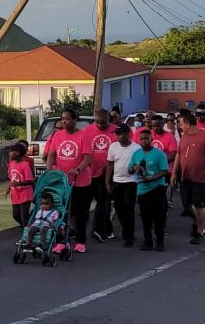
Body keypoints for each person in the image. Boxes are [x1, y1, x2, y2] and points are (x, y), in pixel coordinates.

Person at [43, 108, 92, 255]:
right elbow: (52, 154)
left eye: (68, 119)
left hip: (81, 181)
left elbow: (87, 157)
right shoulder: (58, 136)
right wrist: (49, 169)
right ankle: (61, 241)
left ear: (75, 120)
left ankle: (81, 242)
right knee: (62, 212)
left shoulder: (83, 136)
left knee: (80, 213)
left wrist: (78, 169)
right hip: (62, 181)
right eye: (63, 118)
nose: (65, 121)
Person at [173, 111, 205, 244]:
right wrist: (175, 172)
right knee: (187, 205)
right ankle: (199, 220)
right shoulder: (184, 137)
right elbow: (179, 155)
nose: (179, 126)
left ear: (187, 123)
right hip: (186, 176)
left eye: (180, 124)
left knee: (198, 204)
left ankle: (199, 230)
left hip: (201, 177)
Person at [131, 129, 170, 251]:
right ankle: (148, 241)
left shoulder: (159, 154)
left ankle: (159, 242)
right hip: (142, 189)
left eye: (146, 139)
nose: (144, 141)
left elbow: (165, 171)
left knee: (159, 217)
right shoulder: (136, 154)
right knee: (145, 218)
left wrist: (151, 178)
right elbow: (130, 169)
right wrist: (134, 169)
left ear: (151, 139)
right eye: (142, 139)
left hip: (157, 188)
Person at [82, 110, 116, 243]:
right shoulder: (87, 130)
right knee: (86, 203)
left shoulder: (115, 131)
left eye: (103, 123)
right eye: (98, 123)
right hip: (89, 172)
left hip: (107, 173)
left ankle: (98, 229)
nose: (100, 126)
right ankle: (105, 228)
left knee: (104, 203)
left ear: (109, 120)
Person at [104, 125, 139, 248]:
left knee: (128, 207)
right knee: (119, 209)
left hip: (131, 181)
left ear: (128, 134)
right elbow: (109, 165)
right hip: (117, 181)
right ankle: (126, 229)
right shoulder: (113, 147)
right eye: (116, 134)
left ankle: (129, 235)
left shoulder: (136, 148)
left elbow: (139, 167)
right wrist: (107, 181)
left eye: (120, 134)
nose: (118, 137)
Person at [6, 142, 35, 228]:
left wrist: (19, 183)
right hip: (15, 194)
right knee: (16, 215)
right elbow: (11, 178)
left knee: (24, 216)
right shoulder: (11, 164)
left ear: (17, 153)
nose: (10, 153)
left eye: (12, 151)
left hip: (25, 194)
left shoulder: (25, 165)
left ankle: (26, 234)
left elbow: (30, 180)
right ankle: (30, 226)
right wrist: (8, 189)